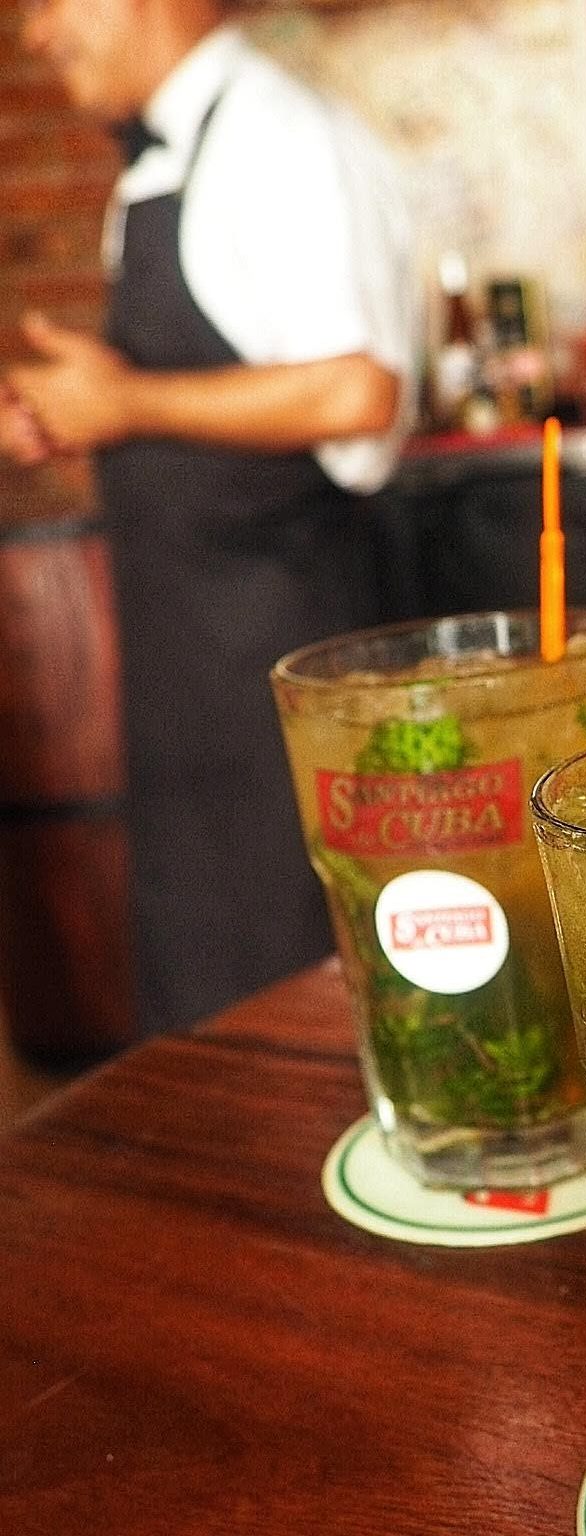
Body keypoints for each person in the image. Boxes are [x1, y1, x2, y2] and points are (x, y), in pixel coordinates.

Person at [2, 0, 417, 1036]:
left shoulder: (277, 134)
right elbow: (192, 393)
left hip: (286, 672)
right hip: (190, 685)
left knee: (300, 1004)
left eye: (46, 3)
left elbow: (357, 392)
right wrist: (84, 406)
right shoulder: (160, 163)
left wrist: (128, 403)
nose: (35, 36)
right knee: (211, 1007)